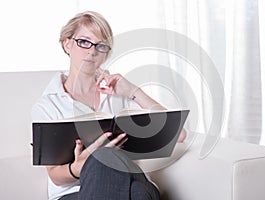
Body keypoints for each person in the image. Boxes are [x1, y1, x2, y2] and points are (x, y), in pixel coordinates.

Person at [31, 11, 186, 200]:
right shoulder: (48, 104)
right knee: (135, 190)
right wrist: (80, 166)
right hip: (75, 194)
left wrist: (132, 91)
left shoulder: (117, 93)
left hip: (129, 179)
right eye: (84, 42)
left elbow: (178, 134)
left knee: (119, 171)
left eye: (101, 45)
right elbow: (55, 176)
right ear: (67, 43)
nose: (92, 51)